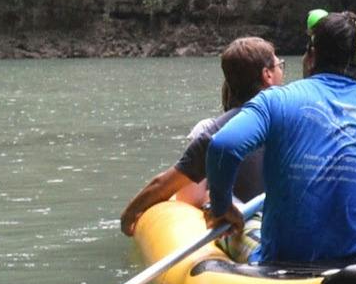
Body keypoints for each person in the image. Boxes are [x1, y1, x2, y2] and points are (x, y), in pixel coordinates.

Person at [201, 10, 356, 266]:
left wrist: (222, 207)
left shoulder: (276, 100)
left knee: (247, 221)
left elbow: (223, 146)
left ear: (311, 56)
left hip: (283, 261)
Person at [118, 36, 282, 233]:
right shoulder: (297, 112)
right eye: (279, 65)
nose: (282, 70)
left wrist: (129, 216)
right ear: (267, 75)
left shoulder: (218, 129)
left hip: (259, 225)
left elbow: (166, 184)